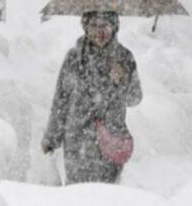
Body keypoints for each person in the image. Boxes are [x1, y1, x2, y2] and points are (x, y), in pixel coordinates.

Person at [41, 11, 142, 184]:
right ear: (85, 27)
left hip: (111, 140)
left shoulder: (125, 57)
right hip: (77, 141)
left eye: (105, 26)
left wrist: (122, 79)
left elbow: (135, 98)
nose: (99, 31)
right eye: (94, 25)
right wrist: (51, 137)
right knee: (77, 195)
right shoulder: (74, 57)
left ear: (115, 27)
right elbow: (61, 100)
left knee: (106, 196)